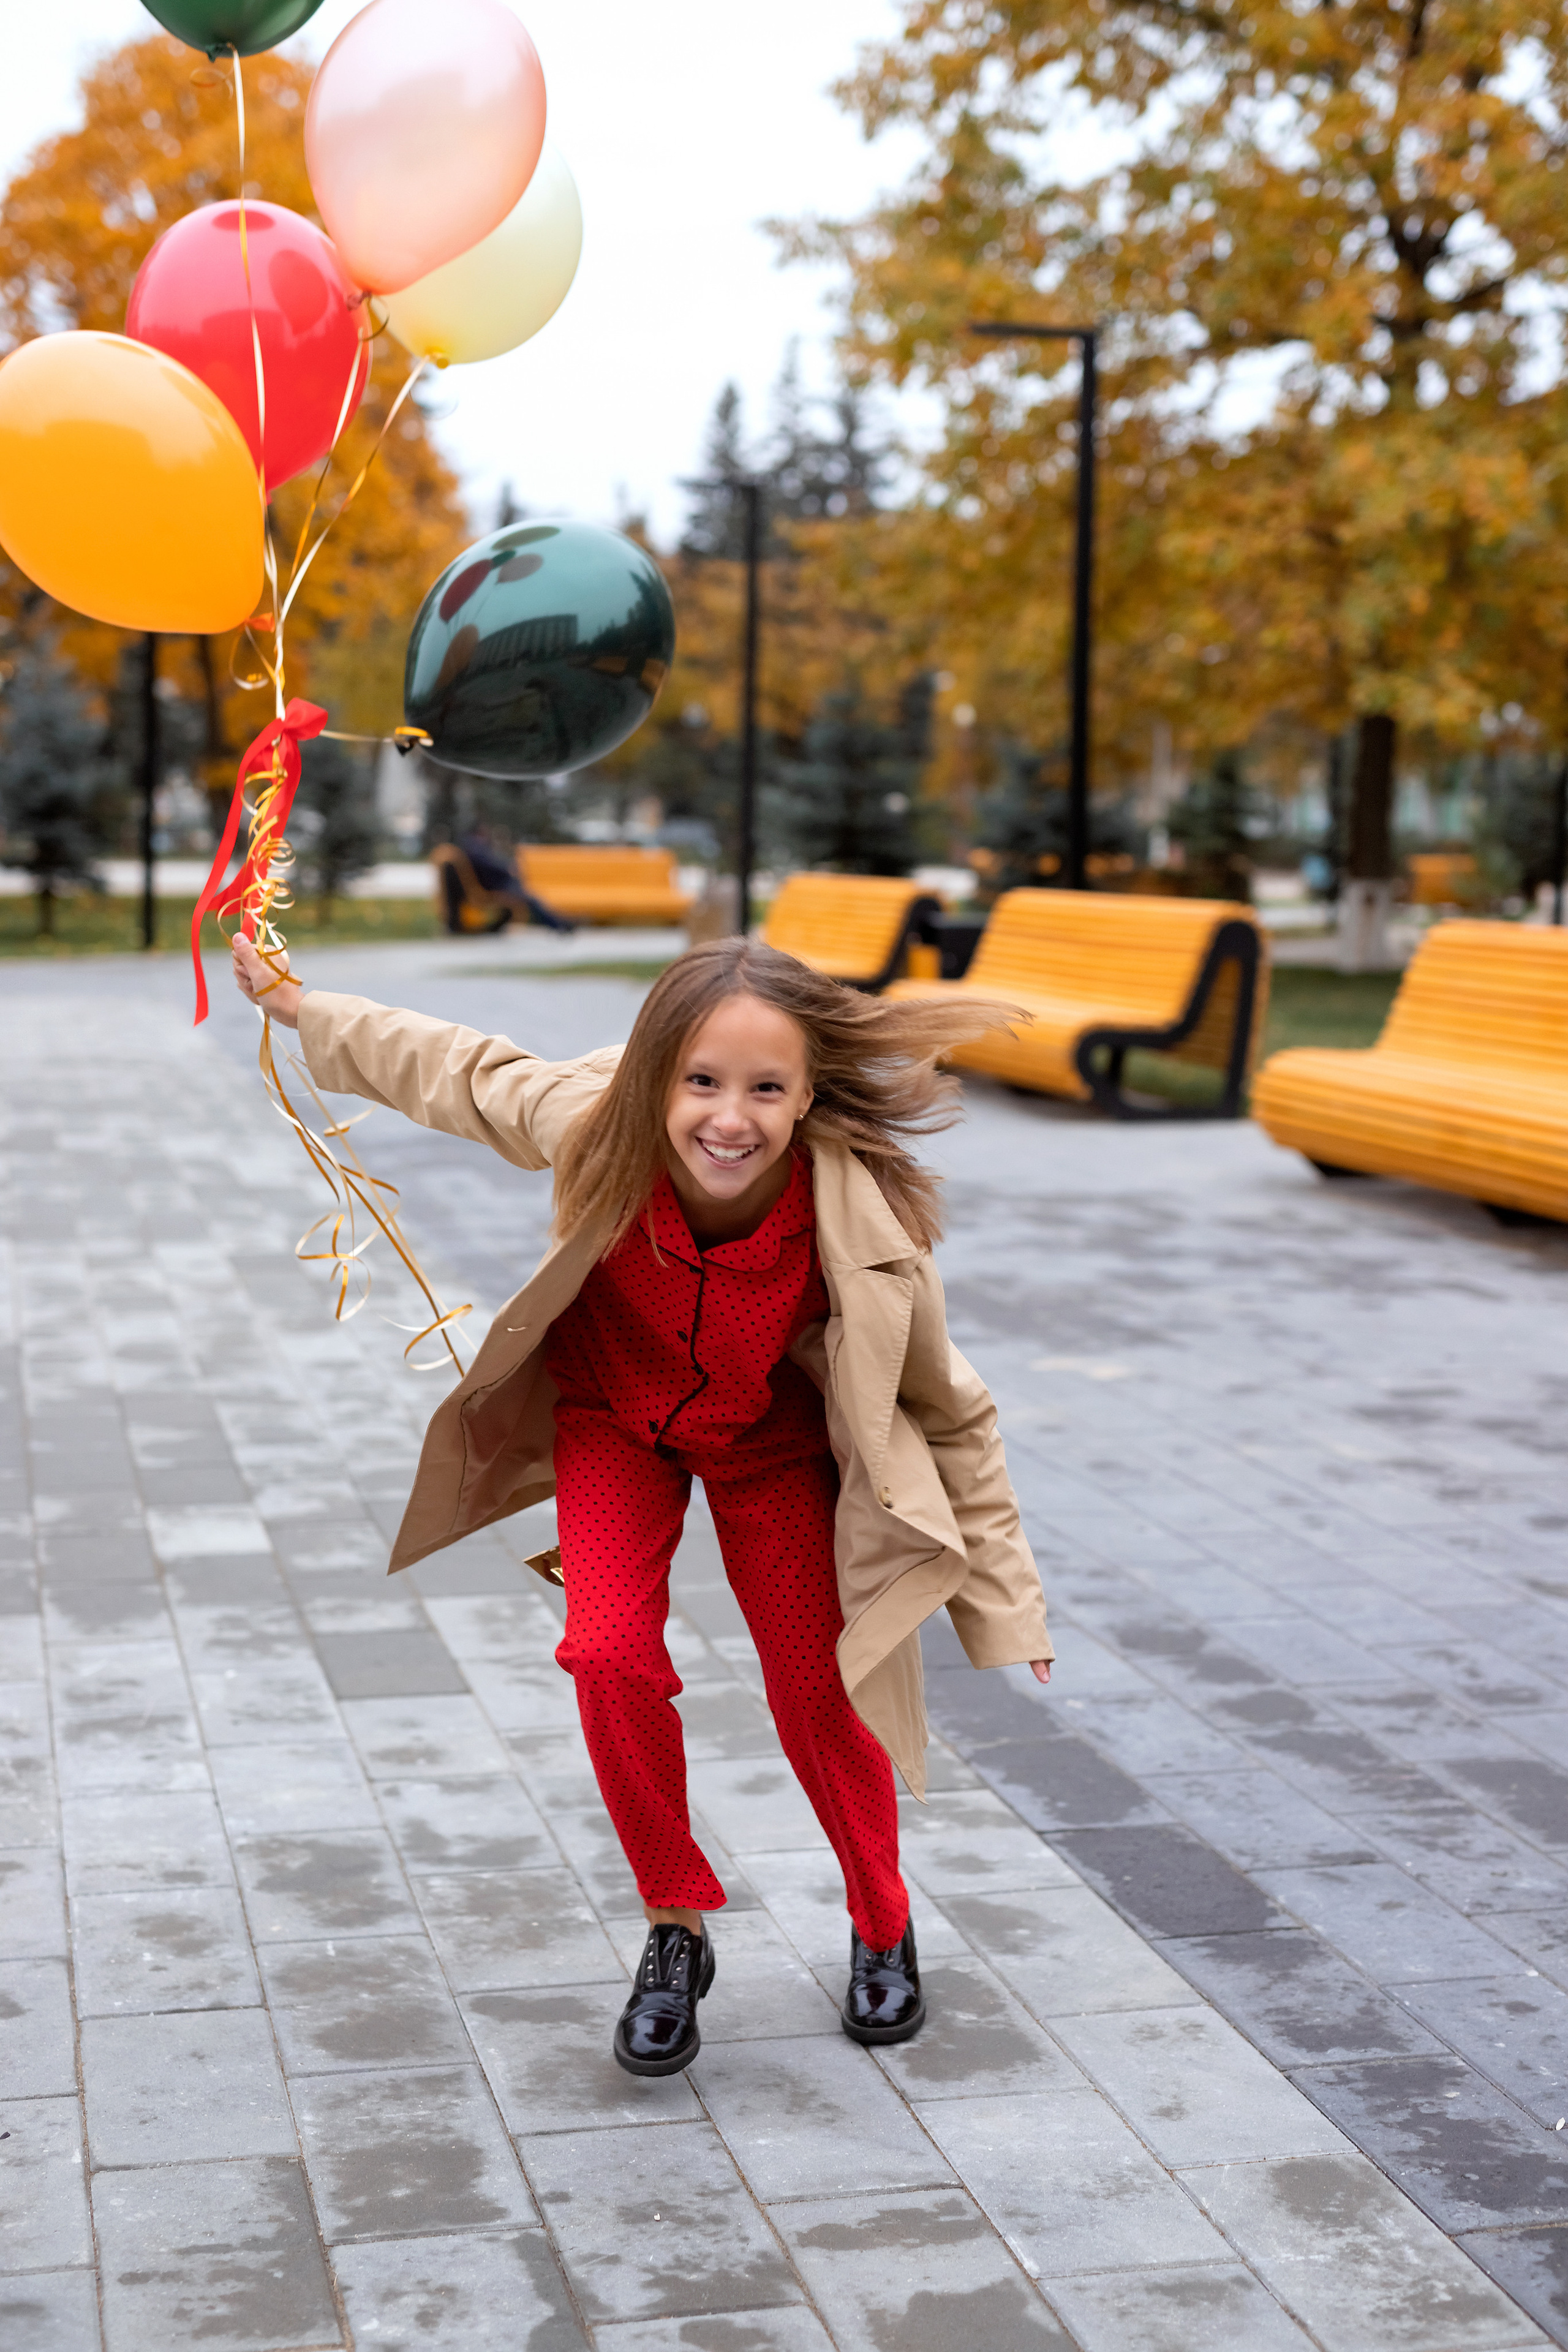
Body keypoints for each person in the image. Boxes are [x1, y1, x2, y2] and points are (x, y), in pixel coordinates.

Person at [231, 931, 1054, 2077]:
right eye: (702, 1082)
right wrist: (300, 1006)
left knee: (823, 1686)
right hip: (614, 1424)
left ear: (809, 1094)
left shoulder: (857, 1225)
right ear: (655, 1077)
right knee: (608, 1654)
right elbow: (461, 1068)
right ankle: (677, 1928)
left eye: (767, 1089)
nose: (732, 1117)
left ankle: (881, 1923)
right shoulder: (595, 1128)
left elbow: (952, 1410)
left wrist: (1009, 1609)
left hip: (771, 1446)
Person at [457, 824, 576, 934]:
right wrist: (507, 869)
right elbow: (489, 865)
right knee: (531, 900)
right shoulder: (475, 848)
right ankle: (559, 924)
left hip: (498, 885)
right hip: (495, 888)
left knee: (530, 897)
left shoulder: (473, 847)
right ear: (478, 833)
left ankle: (560, 923)